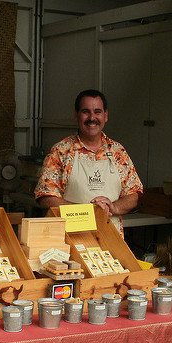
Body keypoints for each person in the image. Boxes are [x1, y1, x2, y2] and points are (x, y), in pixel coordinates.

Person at [34, 89, 143, 235]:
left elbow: (134, 194)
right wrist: (85, 212)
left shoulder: (118, 152)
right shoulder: (60, 152)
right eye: (86, 111)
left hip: (112, 240)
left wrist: (114, 207)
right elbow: (45, 197)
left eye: (97, 112)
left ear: (106, 115)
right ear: (76, 115)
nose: (92, 118)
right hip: (71, 239)